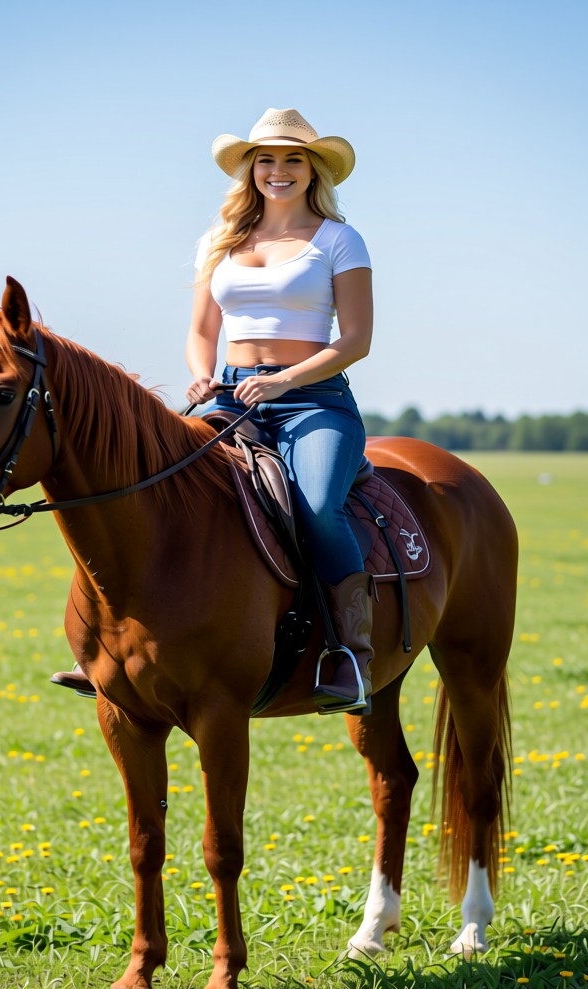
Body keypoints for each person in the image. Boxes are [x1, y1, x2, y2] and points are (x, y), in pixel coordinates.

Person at [186, 107, 375, 715]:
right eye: (266, 159)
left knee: (319, 506)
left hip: (313, 400)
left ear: (314, 170)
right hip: (229, 395)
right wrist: (200, 377)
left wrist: (282, 382)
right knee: (154, 483)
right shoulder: (218, 242)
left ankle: (351, 654)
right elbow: (200, 330)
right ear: (250, 170)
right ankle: (121, 642)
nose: (279, 170)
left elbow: (356, 341)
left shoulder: (340, 241)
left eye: (293, 158)